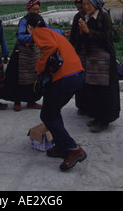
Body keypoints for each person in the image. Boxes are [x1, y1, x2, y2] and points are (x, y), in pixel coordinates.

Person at [27, 13, 86, 172]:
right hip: (77, 75)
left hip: (65, 78)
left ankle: (73, 149)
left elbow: (50, 48)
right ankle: (61, 145)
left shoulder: (39, 32)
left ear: (29, 26)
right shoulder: (52, 32)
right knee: (53, 111)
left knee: (47, 115)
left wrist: (39, 67)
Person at [4, 0, 67, 111]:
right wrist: (35, 37)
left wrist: (62, 32)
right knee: (19, 77)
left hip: (33, 52)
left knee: (34, 76)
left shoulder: (40, 20)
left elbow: (48, 31)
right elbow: (20, 37)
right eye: (34, 9)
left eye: (38, 9)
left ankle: (31, 101)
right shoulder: (24, 21)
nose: (36, 11)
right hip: (22, 53)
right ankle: (17, 101)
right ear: (28, 9)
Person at [77, 0, 120, 132]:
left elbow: (105, 37)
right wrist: (82, 33)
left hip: (104, 58)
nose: (86, 7)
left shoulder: (104, 16)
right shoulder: (86, 18)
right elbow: (84, 38)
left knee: (104, 90)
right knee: (93, 89)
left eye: (88, 4)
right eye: (84, 4)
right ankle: (97, 116)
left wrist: (88, 31)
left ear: (95, 4)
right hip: (92, 58)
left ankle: (104, 120)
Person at [66, 0, 87, 115]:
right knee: (80, 79)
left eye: (82, 7)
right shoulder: (77, 17)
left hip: (90, 53)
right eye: (78, 8)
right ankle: (81, 105)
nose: (81, 10)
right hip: (80, 52)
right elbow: (73, 35)